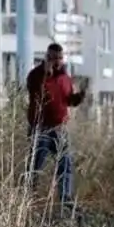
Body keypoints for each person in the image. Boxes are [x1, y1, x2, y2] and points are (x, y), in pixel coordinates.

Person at [26, 43, 88, 210]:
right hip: (41, 129)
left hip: (59, 128)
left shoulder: (65, 79)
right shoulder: (36, 75)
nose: (57, 62)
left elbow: (67, 101)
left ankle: (65, 198)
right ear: (47, 58)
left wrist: (79, 97)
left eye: (59, 58)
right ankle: (29, 198)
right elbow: (34, 91)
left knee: (65, 163)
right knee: (35, 165)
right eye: (53, 58)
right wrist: (45, 75)